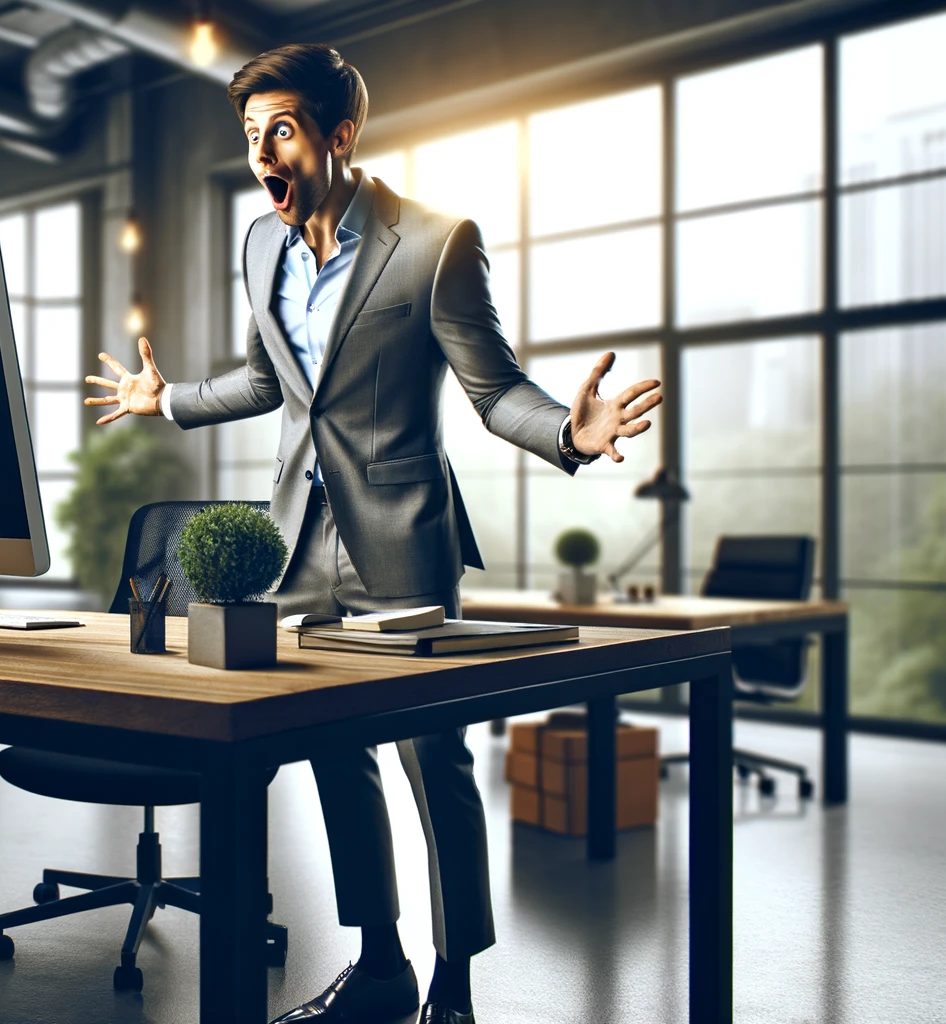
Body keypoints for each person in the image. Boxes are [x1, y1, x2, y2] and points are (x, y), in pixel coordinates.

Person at [85, 43, 661, 1024]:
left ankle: (456, 986)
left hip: (403, 540)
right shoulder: (258, 247)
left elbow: (494, 391)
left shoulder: (436, 242)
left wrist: (569, 430)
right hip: (294, 543)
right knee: (328, 750)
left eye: (280, 130)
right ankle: (381, 961)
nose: (261, 149)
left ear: (337, 137)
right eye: (249, 134)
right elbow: (269, 384)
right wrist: (168, 398)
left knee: (432, 760)